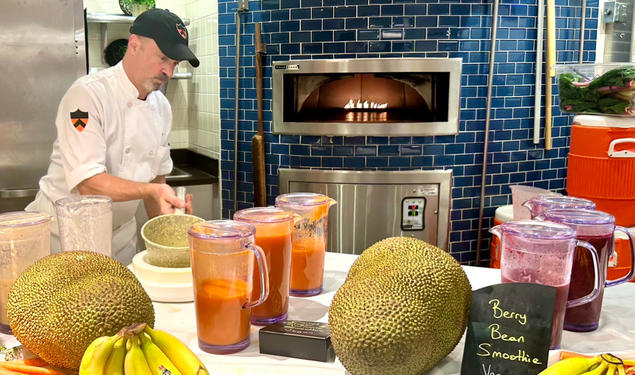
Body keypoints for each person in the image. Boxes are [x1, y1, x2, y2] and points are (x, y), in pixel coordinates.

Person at [26, 8, 199, 264]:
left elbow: (156, 179)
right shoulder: (88, 95)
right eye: (163, 58)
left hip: (120, 242)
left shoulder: (162, 107)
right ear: (134, 45)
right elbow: (89, 183)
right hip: (64, 239)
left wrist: (167, 219)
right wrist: (153, 190)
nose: (169, 72)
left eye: (174, 64)